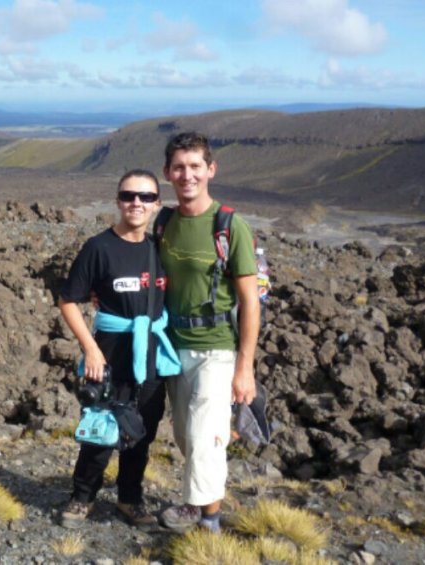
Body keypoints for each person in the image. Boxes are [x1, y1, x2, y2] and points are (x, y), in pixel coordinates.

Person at [58, 169, 181, 530]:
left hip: (151, 355)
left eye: (146, 197)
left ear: (157, 204)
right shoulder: (99, 248)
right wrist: (91, 350)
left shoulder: (160, 249)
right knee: (100, 428)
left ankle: (130, 499)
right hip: (109, 354)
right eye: (129, 196)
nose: (136, 203)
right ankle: (82, 497)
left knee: (141, 432)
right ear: (118, 201)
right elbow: (68, 300)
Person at [156, 132, 260, 534]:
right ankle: (206, 512)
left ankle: (201, 515)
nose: (188, 175)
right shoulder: (163, 223)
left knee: (203, 436)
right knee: (187, 436)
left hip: (216, 348)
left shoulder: (231, 227)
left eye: (195, 166)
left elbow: (250, 301)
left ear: (211, 170)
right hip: (174, 346)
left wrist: (245, 367)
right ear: (168, 173)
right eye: (179, 167)